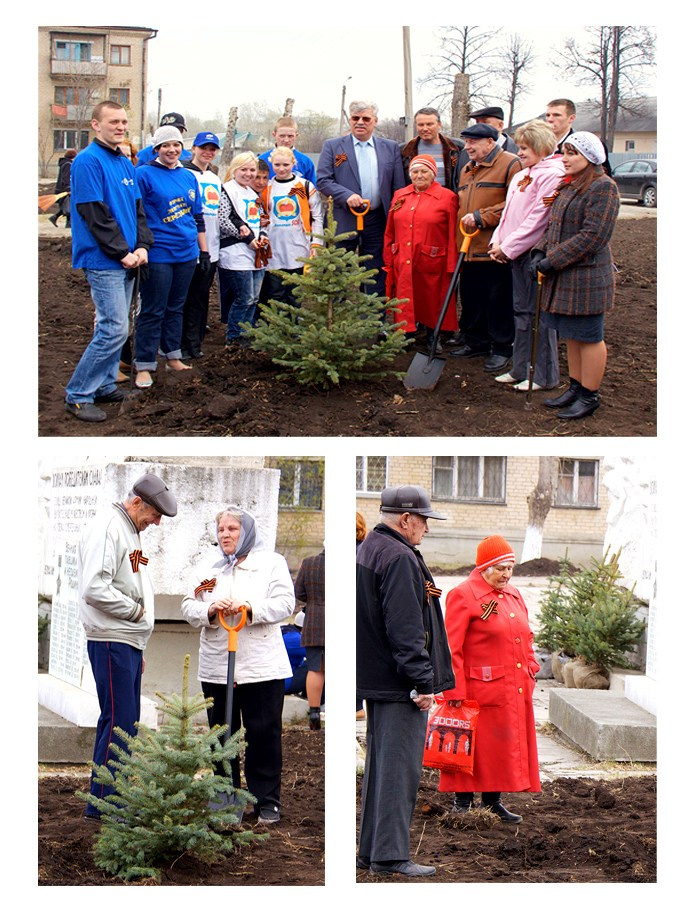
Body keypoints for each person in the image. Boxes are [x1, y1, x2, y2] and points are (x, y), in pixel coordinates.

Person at [356, 485, 454, 877]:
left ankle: (371, 851)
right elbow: (405, 628)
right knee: (399, 770)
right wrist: (423, 682)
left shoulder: (374, 547)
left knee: (382, 769)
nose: (427, 529)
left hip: (381, 679)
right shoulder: (398, 556)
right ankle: (390, 856)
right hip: (401, 686)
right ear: (406, 520)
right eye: (425, 521)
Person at [181, 506, 296, 824]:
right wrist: (209, 609)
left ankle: (266, 800)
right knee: (221, 734)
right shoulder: (209, 568)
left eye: (232, 529)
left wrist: (249, 608)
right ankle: (224, 796)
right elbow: (189, 603)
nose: (225, 535)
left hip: (261, 665)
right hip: (219, 664)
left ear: (247, 532)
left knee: (264, 734)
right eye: (221, 530)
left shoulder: (271, 564)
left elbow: (285, 602)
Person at [79, 473, 178, 819]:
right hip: (111, 639)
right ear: (137, 502)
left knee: (125, 721)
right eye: (153, 515)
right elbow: (94, 587)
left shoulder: (130, 531)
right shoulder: (110, 528)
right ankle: (109, 803)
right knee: (120, 722)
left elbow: (133, 581)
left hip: (126, 642)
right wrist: (135, 613)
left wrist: (139, 644)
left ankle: (104, 800)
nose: (156, 523)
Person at [438, 535, 540, 823]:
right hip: (476, 690)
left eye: (510, 568)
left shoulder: (514, 595)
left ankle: (493, 801)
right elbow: (451, 648)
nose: (506, 574)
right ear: (484, 568)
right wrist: (453, 692)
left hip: (511, 688)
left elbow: (526, 636)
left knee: (501, 745)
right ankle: (463, 804)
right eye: (500, 569)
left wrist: (531, 667)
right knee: (470, 746)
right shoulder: (463, 595)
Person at [65, 100, 153, 423]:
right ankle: (78, 394)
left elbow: (138, 210)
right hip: (104, 260)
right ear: (95, 125)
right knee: (113, 328)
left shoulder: (125, 162)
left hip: (129, 259)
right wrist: (122, 252)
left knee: (119, 326)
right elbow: (94, 214)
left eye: (124, 121)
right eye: (113, 121)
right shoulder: (88, 162)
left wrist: (143, 246)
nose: (120, 126)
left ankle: (104, 384)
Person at [531, 131, 620, 420]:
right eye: (564, 152)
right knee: (572, 335)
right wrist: (539, 251)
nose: (565, 159)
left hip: (587, 277)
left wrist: (551, 261)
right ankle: (576, 387)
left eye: (573, 153)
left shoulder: (603, 188)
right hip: (565, 274)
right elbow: (554, 225)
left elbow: (592, 237)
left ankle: (590, 395)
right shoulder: (569, 185)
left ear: (591, 158)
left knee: (590, 337)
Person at [489, 119, 566, 392]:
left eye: (525, 147)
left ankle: (544, 375)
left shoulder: (552, 176)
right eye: (520, 147)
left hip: (531, 254)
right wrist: (497, 241)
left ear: (542, 146)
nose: (519, 152)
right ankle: (520, 367)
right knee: (521, 312)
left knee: (537, 316)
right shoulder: (523, 175)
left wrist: (509, 247)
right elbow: (509, 214)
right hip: (513, 253)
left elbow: (538, 219)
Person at [133, 125, 208, 389]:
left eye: (176, 145)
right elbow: (136, 213)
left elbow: (196, 216)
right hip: (158, 252)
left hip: (186, 252)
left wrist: (203, 250)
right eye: (166, 145)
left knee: (177, 306)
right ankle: (143, 364)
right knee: (154, 309)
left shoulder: (188, 177)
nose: (171, 150)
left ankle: (172, 355)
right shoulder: (143, 174)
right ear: (156, 149)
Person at [446, 123, 522, 373]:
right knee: (472, 298)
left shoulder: (510, 164)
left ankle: (501, 348)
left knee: (498, 300)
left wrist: (482, 216)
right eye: (466, 142)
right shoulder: (467, 168)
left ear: (490, 142)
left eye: (473, 143)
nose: (467, 147)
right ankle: (475, 342)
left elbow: (515, 204)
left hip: (494, 247)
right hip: (468, 246)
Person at [317, 101, 405, 296]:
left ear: (375, 121)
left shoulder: (389, 148)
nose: (360, 123)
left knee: (375, 271)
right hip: (344, 219)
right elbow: (323, 180)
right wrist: (347, 196)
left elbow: (398, 186)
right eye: (355, 118)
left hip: (377, 220)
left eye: (366, 119)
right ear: (350, 120)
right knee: (338, 271)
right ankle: (337, 320)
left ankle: (374, 321)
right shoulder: (334, 147)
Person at [383, 155, 458, 346]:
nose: (419, 175)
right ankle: (406, 333)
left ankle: (434, 333)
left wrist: (452, 264)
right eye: (415, 171)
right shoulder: (400, 195)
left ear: (433, 174)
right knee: (405, 294)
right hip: (403, 256)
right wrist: (389, 257)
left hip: (433, 258)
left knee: (432, 297)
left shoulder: (447, 197)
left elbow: (452, 233)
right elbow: (390, 229)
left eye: (424, 171)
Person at [217, 151, 270, 345]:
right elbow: (223, 220)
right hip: (236, 252)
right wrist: (246, 237)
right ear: (234, 170)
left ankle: (247, 334)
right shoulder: (227, 190)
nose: (248, 174)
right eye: (244, 169)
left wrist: (262, 236)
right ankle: (234, 337)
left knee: (254, 298)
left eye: (252, 170)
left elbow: (261, 220)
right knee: (244, 298)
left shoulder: (253, 193)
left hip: (256, 252)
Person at [261, 146, 324, 306]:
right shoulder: (267, 188)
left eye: (285, 165)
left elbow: (316, 216)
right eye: (277, 165)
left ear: (293, 164)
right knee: (275, 293)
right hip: (273, 250)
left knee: (294, 295)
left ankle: (293, 328)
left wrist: (316, 243)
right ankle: (275, 328)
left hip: (298, 247)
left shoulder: (303, 186)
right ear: (271, 164)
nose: (281, 169)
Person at [181, 132, 222, 360]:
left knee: (201, 297)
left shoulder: (215, 179)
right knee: (184, 297)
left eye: (212, 149)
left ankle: (195, 343)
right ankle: (180, 343)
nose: (208, 153)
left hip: (212, 247)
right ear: (194, 148)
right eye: (204, 148)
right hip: (190, 246)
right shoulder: (185, 173)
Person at [294, 546, 325, 730]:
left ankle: (313, 715)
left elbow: (299, 593)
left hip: (313, 620)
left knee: (315, 669)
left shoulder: (309, 563)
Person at [399, 107, 463, 191]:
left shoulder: (456, 147)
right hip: (417, 200)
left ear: (439, 124)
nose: (425, 129)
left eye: (429, 124)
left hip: (447, 199)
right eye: (421, 125)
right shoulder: (405, 150)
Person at [546, 98, 611, 177]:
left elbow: (602, 179)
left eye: (556, 115)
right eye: (548, 115)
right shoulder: (539, 146)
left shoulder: (586, 145)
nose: (550, 119)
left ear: (571, 118)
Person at [258, 116, 317, 184]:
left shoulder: (305, 162)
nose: (286, 140)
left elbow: (312, 189)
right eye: (282, 136)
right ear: (274, 134)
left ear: (296, 135)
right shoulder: (262, 160)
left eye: (290, 136)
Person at [49, 148, 76, 227]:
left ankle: (56, 218)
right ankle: (67, 223)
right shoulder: (68, 164)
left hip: (62, 188)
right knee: (69, 205)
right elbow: (66, 178)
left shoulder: (65, 163)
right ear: (73, 156)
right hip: (64, 189)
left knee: (67, 205)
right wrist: (69, 189)